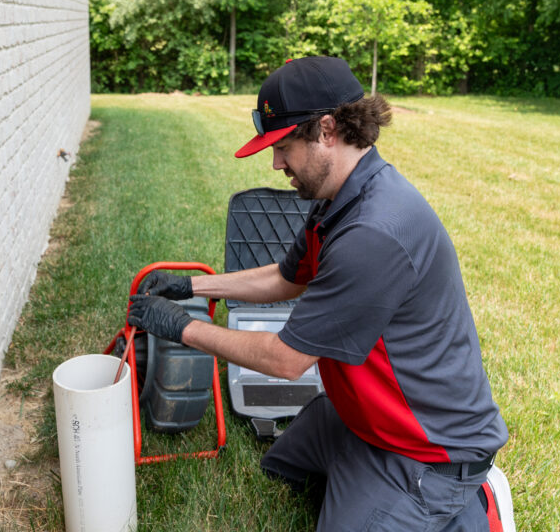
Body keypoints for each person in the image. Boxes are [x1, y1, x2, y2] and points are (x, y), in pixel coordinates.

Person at [127, 56, 508, 531]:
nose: (276, 162)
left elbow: (285, 361)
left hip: (425, 453)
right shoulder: (339, 198)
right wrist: (193, 284)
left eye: (283, 146)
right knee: (278, 465)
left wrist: (184, 327)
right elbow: (288, 279)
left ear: (327, 130)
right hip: (359, 418)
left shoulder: (374, 233)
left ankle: (474, 502)